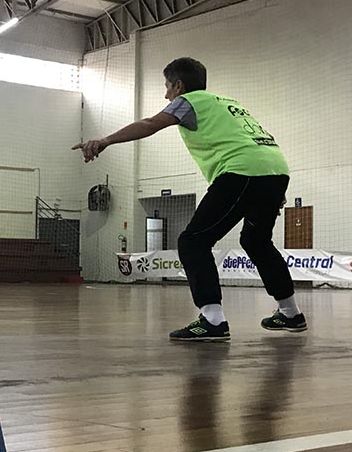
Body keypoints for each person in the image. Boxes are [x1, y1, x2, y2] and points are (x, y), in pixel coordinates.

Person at [74, 57, 306, 341]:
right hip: (275, 170)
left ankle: (213, 319)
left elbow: (150, 124)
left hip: (241, 171)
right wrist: (271, 185)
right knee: (256, 241)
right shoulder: (228, 103)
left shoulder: (189, 101)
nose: (166, 95)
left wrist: (105, 141)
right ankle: (291, 313)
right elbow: (261, 137)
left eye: (167, 87)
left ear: (179, 85)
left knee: (193, 241)